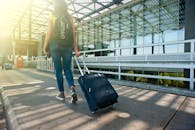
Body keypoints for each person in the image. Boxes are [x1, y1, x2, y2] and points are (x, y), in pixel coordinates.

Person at [43, 0, 80, 103]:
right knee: (67, 69)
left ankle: (61, 93)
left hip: (55, 47)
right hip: (67, 47)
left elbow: (48, 33)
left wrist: (44, 47)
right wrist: (76, 49)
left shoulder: (52, 16)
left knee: (58, 70)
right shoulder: (70, 18)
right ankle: (72, 89)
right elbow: (73, 34)